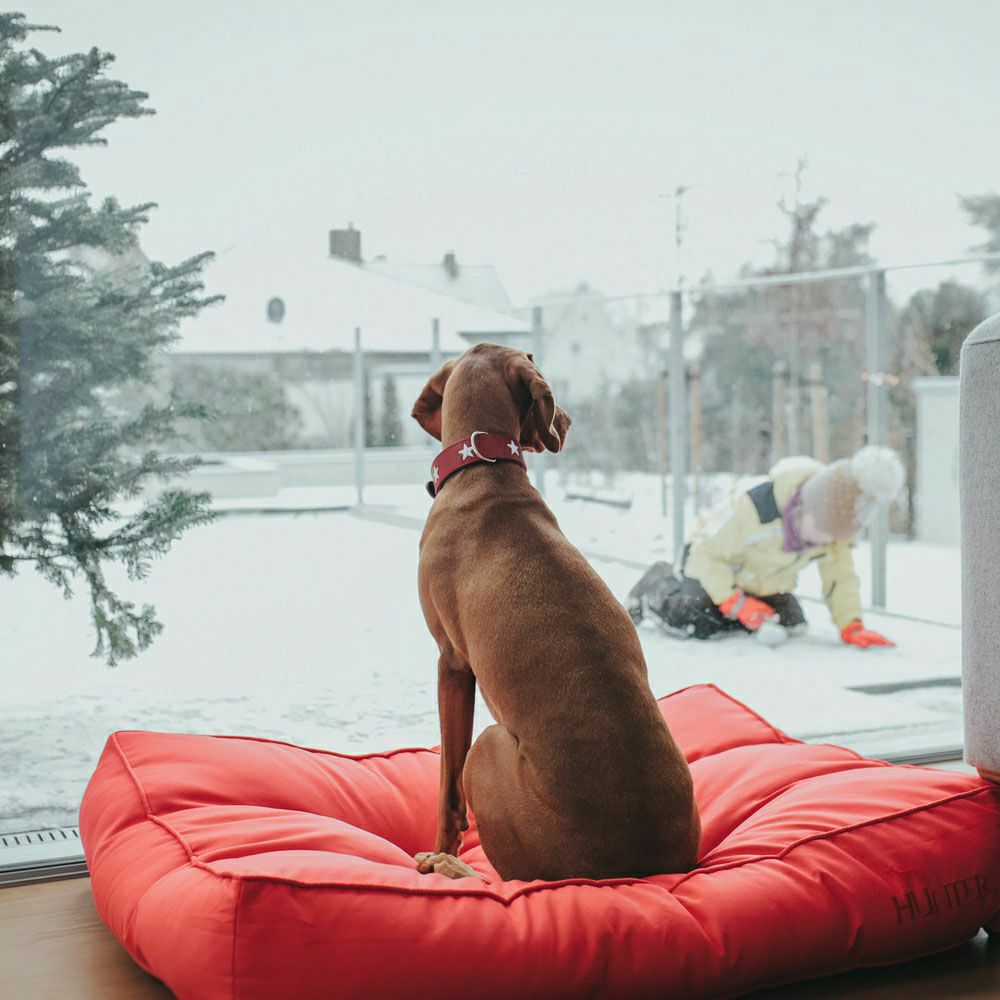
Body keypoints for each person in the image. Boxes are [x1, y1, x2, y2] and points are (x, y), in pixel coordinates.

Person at [627, 446, 904, 647]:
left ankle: (731, 614)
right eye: (822, 532)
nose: (825, 542)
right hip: (705, 567)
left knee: (792, 622)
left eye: (832, 537)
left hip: (760, 583)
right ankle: (656, 587)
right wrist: (734, 602)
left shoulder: (833, 532)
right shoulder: (755, 508)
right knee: (696, 619)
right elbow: (705, 554)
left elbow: (840, 577)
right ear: (802, 510)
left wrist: (851, 624)